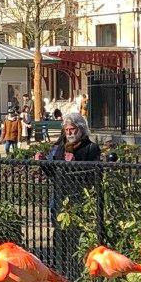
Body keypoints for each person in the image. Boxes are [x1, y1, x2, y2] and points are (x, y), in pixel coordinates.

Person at [37, 114, 103, 273]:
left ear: (81, 129)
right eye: (67, 130)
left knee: (76, 234)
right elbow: (53, 173)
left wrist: (74, 164)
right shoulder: (59, 146)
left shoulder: (90, 148)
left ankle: (76, 270)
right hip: (58, 197)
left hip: (78, 198)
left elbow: (94, 175)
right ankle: (60, 267)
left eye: (72, 129)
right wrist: (43, 162)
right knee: (59, 233)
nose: (69, 133)